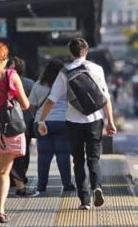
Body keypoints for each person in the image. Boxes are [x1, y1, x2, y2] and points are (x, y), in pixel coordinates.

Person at [38, 38, 117, 210]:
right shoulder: (97, 69)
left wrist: (42, 120)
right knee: (93, 159)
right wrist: (110, 122)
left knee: (78, 160)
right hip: (95, 120)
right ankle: (97, 186)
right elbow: (106, 98)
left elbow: (52, 100)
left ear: (70, 52)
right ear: (86, 50)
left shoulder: (64, 72)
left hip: (73, 121)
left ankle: (84, 201)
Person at [0, 42, 31, 223]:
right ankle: (0, 211)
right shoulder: (12, 75)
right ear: (4, 58)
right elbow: (25, 105)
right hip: (7, 127)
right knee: (2, 172)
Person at [28, 59, 75, 192]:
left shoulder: (38, 85)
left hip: (42, 122)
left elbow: (31, 106)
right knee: (63, 153)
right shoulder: (66, 84)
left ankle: (42, 185)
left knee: (43, 154)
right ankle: (67, 184)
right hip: (62, 122)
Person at [7, 57, 38, 197]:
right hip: (23, 122)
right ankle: (20, 179)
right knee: (21, 153)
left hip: (6, 121)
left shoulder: (2, 81)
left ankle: (11, 179)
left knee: (6, 152)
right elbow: (30, 104)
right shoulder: (29, 83)